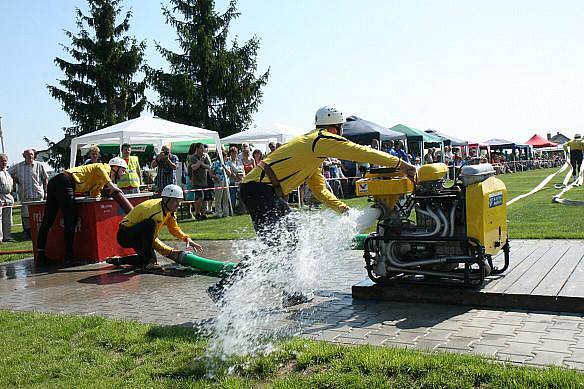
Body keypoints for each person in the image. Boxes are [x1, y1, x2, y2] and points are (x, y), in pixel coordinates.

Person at [208, 106, 416, 304]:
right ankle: (224, 288)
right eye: (341, 129)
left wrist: (342, 208)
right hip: (259, 190)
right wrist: (400, 164)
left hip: (265, 191)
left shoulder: (313, 150)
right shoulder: (320, 140)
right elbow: (358, 152)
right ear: (336, 128)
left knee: (293, 240)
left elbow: (320, 189)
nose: (341, 134)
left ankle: (292, 291)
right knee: (275, 244)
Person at [36, 158, 131, 265]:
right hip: (65, 181)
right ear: (115, 167)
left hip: (56, 182)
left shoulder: (101, 180)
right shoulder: (104, 168)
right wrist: (111, 185)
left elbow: (95, 194)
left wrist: (106, 193)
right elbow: (98, 167)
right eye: (123, 170)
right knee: (70, 220)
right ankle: (68, 258)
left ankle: (41, 256)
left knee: (48, 220)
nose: (124, 173)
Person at [114, 184, 203, 271]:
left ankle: (117, 260)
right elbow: (152, 240)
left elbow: (174, 229)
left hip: (135, 234)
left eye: (180, 201)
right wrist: (169, 252)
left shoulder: (169, 210)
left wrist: (187, 238)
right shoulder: (154, 212)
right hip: (125, 235)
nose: (178, 204)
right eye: (175, 201)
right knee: (150, 225)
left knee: (144, 258)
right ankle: (149, 263)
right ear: (165, 199)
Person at [9, 149, 48, 239]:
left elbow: (45, 178)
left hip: (37, 194)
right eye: (28, 154)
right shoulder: (18, 166)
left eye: (31, 154)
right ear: (23, 156)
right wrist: (16, 181)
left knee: (39, 214)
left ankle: (40, 232)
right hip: (25, 194)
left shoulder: (39, 165)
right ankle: (28, 232)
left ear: (34, 155)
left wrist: (46, 191)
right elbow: (8, 173)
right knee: (26, 215)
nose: (30, 156)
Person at [189, 143, 212, 220]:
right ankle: (197, 213)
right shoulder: (192, 157)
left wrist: (201, 163)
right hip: (196, 181)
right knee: (200, 197)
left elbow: (209, 166)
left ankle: (203, 214)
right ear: (197, 149)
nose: (203, 150)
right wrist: (201, 162)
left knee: (205, 198)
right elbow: (194, 167)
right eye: (201, 148)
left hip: (204, 180)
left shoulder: (206, 156)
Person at [211, 150, 230, 218]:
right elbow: (211, 173)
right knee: (218, 198)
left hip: (226, 182)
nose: (226, 157)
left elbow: (229, 173)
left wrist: (224, 167)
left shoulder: (227, 163)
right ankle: (218, 212)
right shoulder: (215, 163)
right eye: (225, 156)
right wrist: (216, 177)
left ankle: (226, 213)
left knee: (226, 198)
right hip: (219, 182)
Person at [0, 154, 14, 243]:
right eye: (2, 161)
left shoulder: (8, 172)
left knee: (8, 218)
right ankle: (0, 238)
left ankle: (7, 237)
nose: (4, 162)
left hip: (8, 197)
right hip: (0, 196)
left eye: (5, 161)